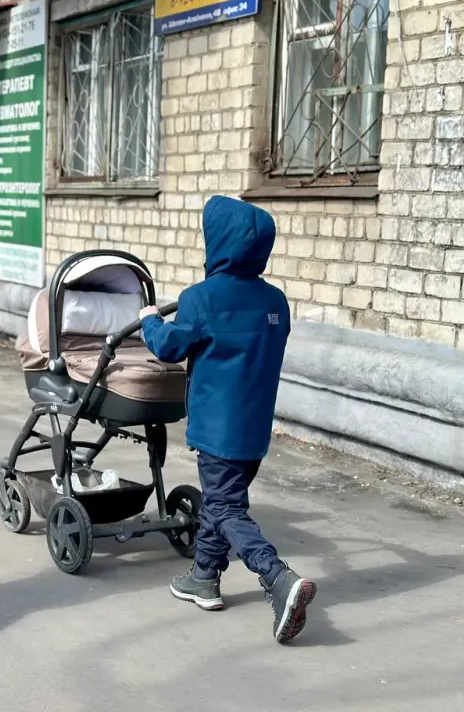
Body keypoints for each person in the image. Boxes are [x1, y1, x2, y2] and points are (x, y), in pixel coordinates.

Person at [138, 195, 316, 645]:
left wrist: (147, 321)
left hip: (217, 430)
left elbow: (169, 348)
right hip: (255, 430)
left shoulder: (201, 299)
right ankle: (203, 577)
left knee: (225, 506)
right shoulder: (276, 301)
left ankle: (277, 577)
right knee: (222, 501)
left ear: (216, 243)